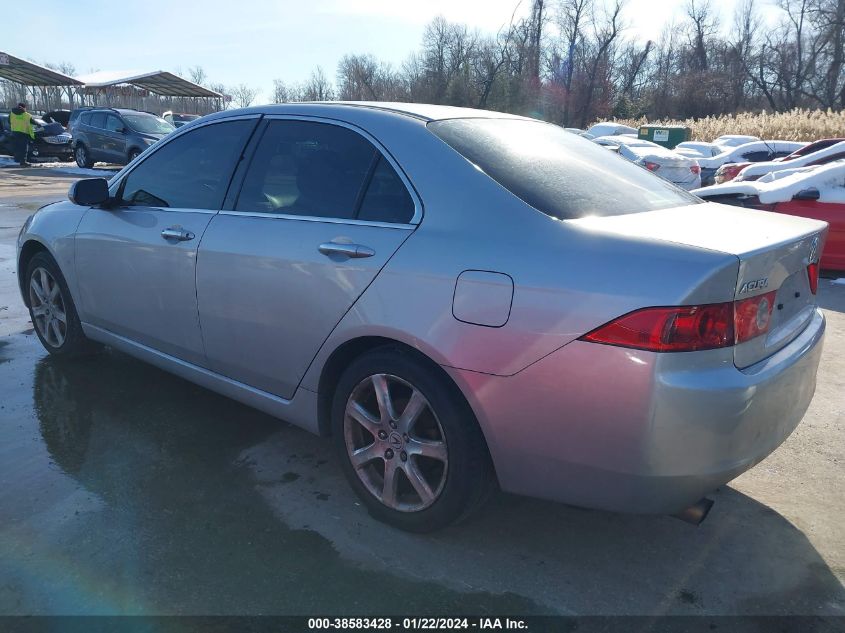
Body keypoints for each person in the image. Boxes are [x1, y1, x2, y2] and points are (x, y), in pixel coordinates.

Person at [9, 102, 36, 167]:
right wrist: (40, 125)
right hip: (23, 133)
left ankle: (17, 160)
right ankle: (23, 162)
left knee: (17, 148)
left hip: (14, 133)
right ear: (24, 108)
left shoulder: (11, 114)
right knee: (23, 149)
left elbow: (9, 121)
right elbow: (33, 122)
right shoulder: (27, 115)